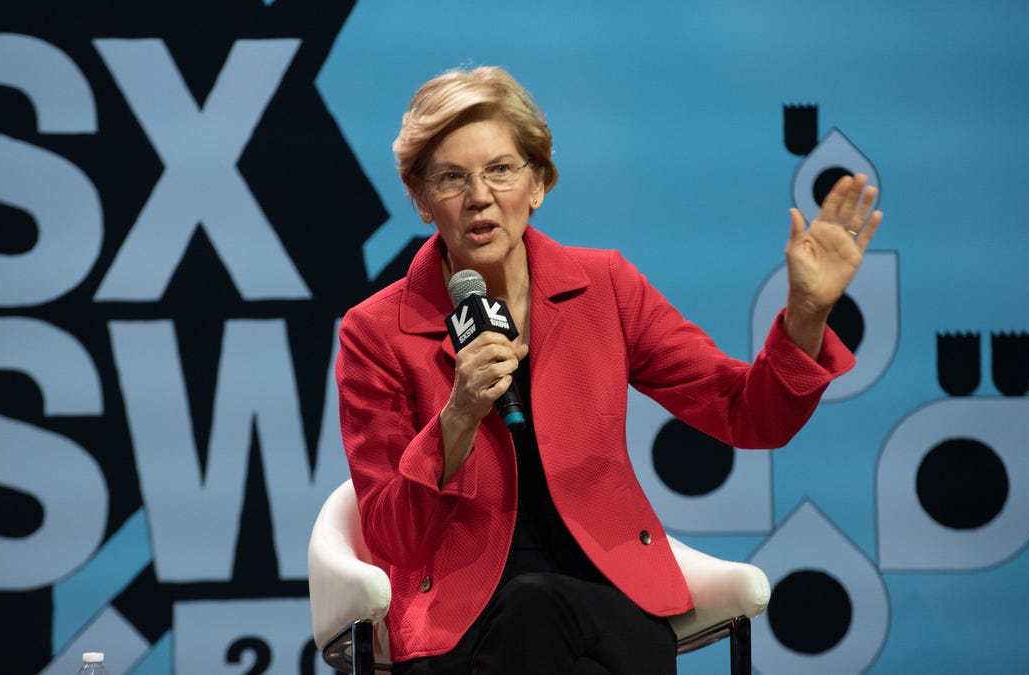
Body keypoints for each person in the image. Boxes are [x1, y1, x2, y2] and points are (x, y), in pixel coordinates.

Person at [335, 65, 880, 674]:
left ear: (539, 182)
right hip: (460, 623)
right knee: (534, 614)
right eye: (451, 178)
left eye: (501, 169)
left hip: (608, 598)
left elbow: (747, 415)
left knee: (547, 609)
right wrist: (458, 415)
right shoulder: (377, 332)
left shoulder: (604, 288)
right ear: (421, 200)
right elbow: (391, 535)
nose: (480, 196)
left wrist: (806, 317)